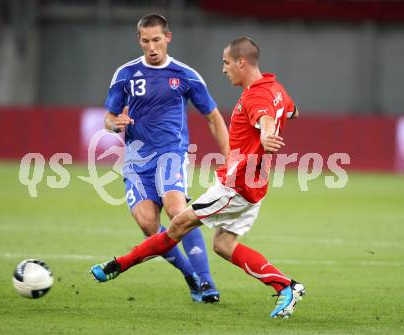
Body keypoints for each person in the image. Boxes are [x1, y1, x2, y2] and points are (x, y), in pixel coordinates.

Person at [91, 36, 306, 318]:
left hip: (235, 186)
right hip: (255, 184)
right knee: (223, 245)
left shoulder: (256, 96)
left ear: (242, 62)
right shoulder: (274, 87)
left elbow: (265, 119)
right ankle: (285, 286)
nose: (223, 69)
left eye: (226, 62)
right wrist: (266, 132)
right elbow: (292, 111)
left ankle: (119, 264)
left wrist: (265, 134)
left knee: (177, 225)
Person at [93, 14, 229, 303]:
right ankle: (189, 276)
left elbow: (213, 117)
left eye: (157, 39)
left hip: (172, 154)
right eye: (146, 41)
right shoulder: (126, 74)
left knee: (177, 211)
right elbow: (108, 117)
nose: (152, 46)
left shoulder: (185, 75)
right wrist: (114, 124)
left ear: (168, 37)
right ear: (139, 40)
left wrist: (230, 156)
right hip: (137, 160)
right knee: (147, 224)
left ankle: (207, 282)